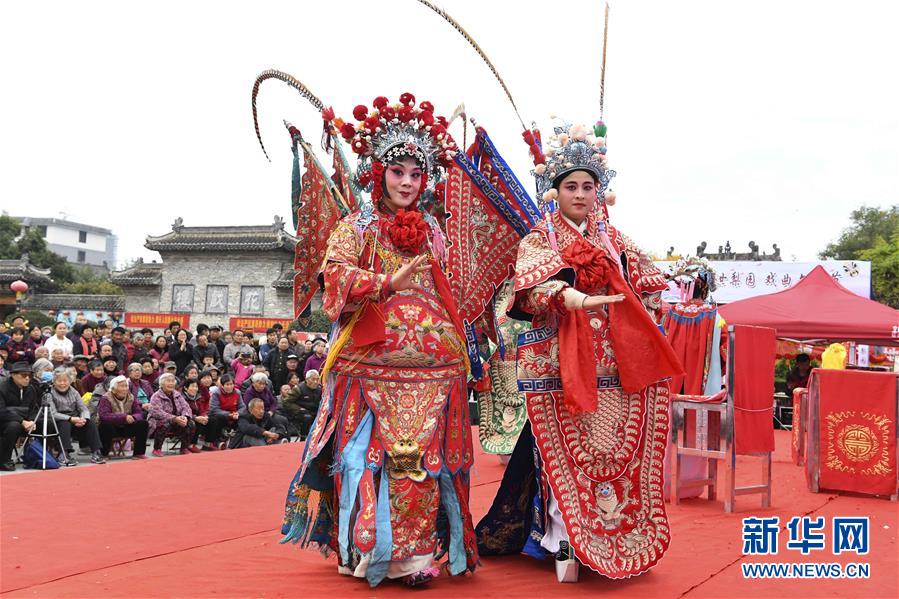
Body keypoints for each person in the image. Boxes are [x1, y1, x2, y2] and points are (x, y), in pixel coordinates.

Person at [279, 95, 477, 587]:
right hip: (368, 367)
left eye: (416, 174)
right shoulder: (356, 226)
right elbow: (334, 279)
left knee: (424, 462)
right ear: (378, 172)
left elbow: (449, 286)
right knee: (364, 458)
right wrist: (387, 284)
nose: (407, 183)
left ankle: (413, 558)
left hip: (431, 370)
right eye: (398, 172)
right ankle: (364, 553)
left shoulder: (433, 230)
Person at [475, 122, 682, 583]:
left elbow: (646, 276)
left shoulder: (614, 238)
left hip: (618, 368)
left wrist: (650, 295)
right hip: (560, 368)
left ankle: (615, 535)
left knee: (615, 456)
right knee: (565, 459)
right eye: (572, 186)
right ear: (555, 192)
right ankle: (565, 544)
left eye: (590, 186)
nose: (582, 194)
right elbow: (530, 288)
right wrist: (568, 297)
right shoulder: (539, 240)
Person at [47, 367, 106, 465]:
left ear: (69, 381)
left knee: (90, 422)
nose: (62, 383)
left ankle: (96, 452)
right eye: (59, 381)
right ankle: (63, 454)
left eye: (65, 381)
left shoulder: (74, 391)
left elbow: (83, 408)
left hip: (75, 419)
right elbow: (52, 413)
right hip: (57, 421)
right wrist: (70, 419)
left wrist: (83, 419)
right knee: (64, 423)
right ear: (54, 382)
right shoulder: (49, 393)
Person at [0, 362, 41, 471]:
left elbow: (34, 408)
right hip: (5, 421)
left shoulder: (31, 389)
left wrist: (32, 421)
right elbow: (2, 411)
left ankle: (42, 456)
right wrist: (22, 421)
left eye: (29, 375)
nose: (27, 378)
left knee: (47, 423)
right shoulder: (2, 388)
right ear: (13, 375)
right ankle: (4, 460)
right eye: (23, 375)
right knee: (14, 426)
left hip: (25, 420)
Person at [97, 375, 149, 459]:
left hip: (126, 426)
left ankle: (139, 453)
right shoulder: (106, 398)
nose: (125, 389)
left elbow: (139, 412)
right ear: (113, 389)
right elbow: (104, 415)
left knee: (143, 423)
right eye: (122, 386)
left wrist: (134, 418)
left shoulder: (131, 397)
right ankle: (103, 454)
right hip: (112, 428)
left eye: (126, 386)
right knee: (105, 425)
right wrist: (123, 417)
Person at [148, 373, 199, 457]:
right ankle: (157, 449)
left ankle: (184, 448)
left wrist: (185, 417)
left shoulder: (177, 394)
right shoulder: (156, 396)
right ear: (161, 384)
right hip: (160, 421)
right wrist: (174, 418)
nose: (171, 383)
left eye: (172, 381)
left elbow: (186, 407)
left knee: (191, 423)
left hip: (177, 421)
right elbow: (157, 412)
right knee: (165, 424)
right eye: (168, 381)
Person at [281, 369, 322, 439]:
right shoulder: (298, 389)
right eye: (313, 379)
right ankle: (303, 437)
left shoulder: (319, 389)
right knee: (307, 417)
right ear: (307, 379)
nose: (315, 382)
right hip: (300, 413)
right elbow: (286, 402)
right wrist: (299, 409)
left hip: (314, 411)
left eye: (317, 379)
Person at [208, 374, 244, 445]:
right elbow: (214, 409)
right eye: (227, 384)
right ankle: (216, 440)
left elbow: (242, 407)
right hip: (221, 415)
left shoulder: (237, 392)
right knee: (215, 419)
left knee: (245, 417)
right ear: (222, 385)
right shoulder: (216, 393)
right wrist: (229, 415)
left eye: (231, 384)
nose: (229, 387)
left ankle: (237, 440)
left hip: (234, 414)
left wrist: (238, 413)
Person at [180, 378, 214, 452]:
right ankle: (191, 444)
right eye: (192, 386)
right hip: (185, 418)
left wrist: (204, 416)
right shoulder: (181, 398)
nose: (195, 389)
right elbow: (183, 412)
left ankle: (208, 443)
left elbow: (202, 410)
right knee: (195, 422)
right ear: (186, 388)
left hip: (197, 417)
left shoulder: (198, 397)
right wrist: (196, 418)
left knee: (212, 419)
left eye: (196, 387)